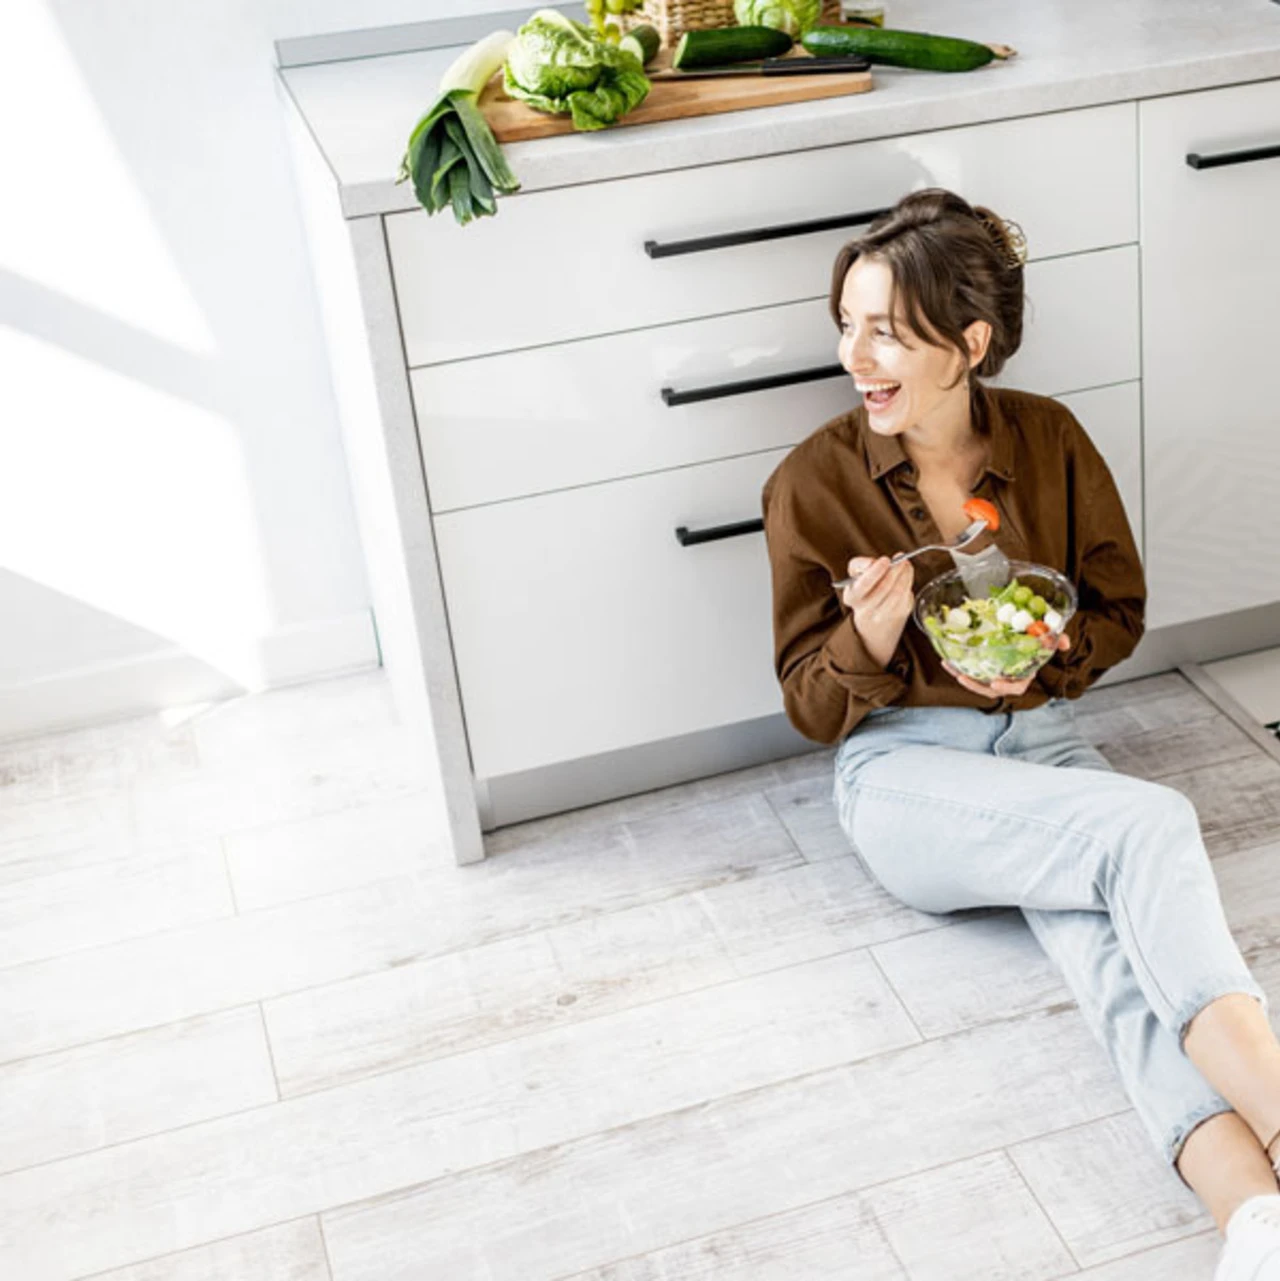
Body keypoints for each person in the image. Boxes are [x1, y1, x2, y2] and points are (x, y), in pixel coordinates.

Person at [760, 187, 1280, 1278]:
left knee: (1112, 954)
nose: (854, 355)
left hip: (1042, 746)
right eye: (845, 324)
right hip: (901, 771)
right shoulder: (811, 482)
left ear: (968, 343)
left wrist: (1052, 648)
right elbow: (810, 706)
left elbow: (1114, 605)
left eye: (884, 332)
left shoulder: (1045, 438)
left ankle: (1251, 1223)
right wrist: (867, 636)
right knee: (1145, 832)